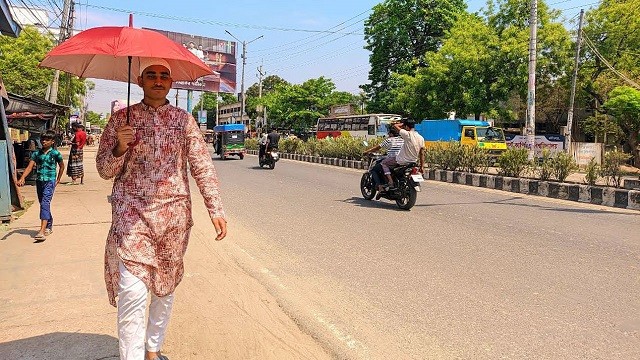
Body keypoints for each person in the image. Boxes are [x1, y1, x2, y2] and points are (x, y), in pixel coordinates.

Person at [96, 58, 227, 360]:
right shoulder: (120, 120)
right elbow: (104, 169)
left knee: (164, 286)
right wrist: (119, 147)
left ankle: (153, 348)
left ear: (171, 82)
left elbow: (201, 165)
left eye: (163, 76)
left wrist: (215, 208)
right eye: (151, 76)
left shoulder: (184, 120)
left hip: (173, 216)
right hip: (132, 215)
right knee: (132, 290)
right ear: (140, 82)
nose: (157, 81)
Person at [16, 130, 64, 241]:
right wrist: (22, 178)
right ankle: (49, 224)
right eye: (43, 139)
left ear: (52, 141)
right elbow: (29, 167)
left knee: (44, 203)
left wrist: (58, 179)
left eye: (47, 140)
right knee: (43, 204)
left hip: (50, 181)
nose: (44, 141)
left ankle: (41, 231)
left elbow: (61, 166)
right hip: (39, 181)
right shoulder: (36, 153)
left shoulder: (55, 153)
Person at [380, 118, 425, 189]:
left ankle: (391, 182)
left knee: (384, 163)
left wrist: (403, 124)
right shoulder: (421, 138)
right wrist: (422, 166)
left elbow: (395, 126)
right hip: (413, 162)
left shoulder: (407, 134)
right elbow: (422, 153)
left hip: (401, 161)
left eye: (404, 126)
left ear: (406, 127)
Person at [363, 126, 404, 195]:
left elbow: (378, 147)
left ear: (391, 134)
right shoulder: (402, 140)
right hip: (402, 160)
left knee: (374, 169)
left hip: (393, 160)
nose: (388, 135)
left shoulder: (389, 140)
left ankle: (380, 186)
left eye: (389, 134)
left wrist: (367, 151)